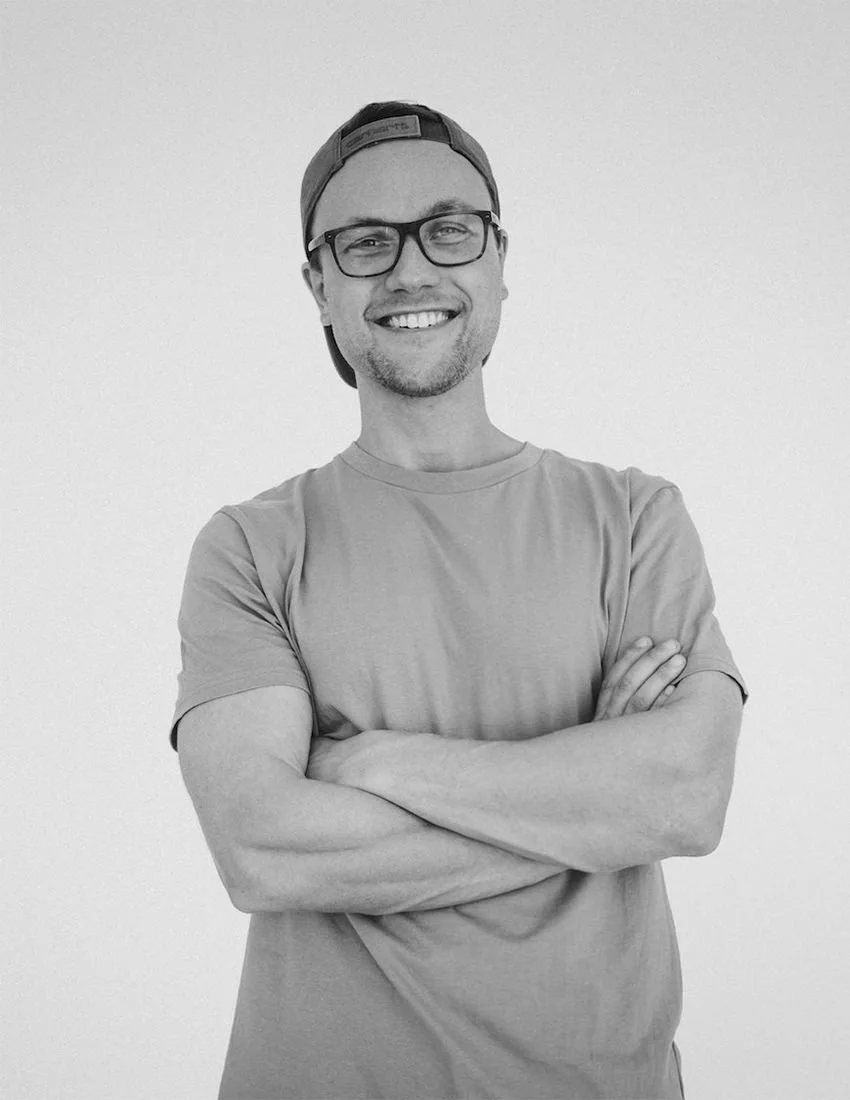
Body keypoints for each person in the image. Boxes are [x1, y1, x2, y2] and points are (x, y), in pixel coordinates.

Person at [171, 101, 748, 1100]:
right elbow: (263, 851)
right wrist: (594, 804)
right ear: (318, 286)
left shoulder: (635, 517)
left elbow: (685, 798)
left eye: (448, 229)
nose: (411, 269)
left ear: (498, 261)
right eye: (365, 243)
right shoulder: (251, 546)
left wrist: (372, 762)